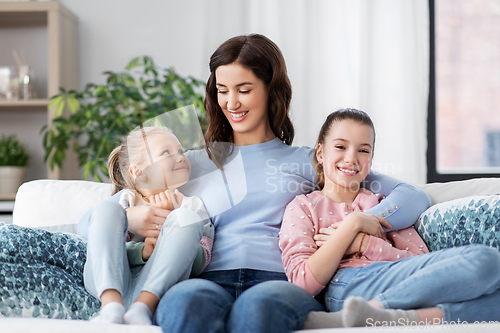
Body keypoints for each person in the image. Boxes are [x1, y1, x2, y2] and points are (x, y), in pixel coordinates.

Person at [146, 34, 431, 333]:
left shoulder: (310, 161)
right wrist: (137, 218)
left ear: (271, 90)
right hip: (208, 280)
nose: (232, 102)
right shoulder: (189, 163)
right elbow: (120, 201)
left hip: (279, 283)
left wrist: (364, 221)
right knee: (184, 303)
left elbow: (411, 195)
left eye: (244, 89)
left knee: (258, 308)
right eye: (222, 90)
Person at [282, 108, 500, 328]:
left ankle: (384, 316)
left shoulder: (383, 204)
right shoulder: (303, 206)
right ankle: (376, 309)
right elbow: (302, 283)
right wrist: (352, 225)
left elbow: (418, 260)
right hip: (348, 283)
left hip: (399, 280)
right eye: (340, 147)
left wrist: (365, 244)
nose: (351, 158)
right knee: (487, 259)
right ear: (320, 153)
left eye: (363, 150)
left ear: (371, 159)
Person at [78, 126, 214, 325]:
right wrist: (140, 251)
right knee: (108, 211)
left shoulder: (192, 206)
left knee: (186, 219)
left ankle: (143, 308)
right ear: (139, 172)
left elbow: (201, 260)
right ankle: (110, 305)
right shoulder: (124, 201)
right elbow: (89, 232)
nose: (180, 157)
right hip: (109, 279)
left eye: (180, 151)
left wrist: (171, 219)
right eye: (166, 152)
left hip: (159, 286)